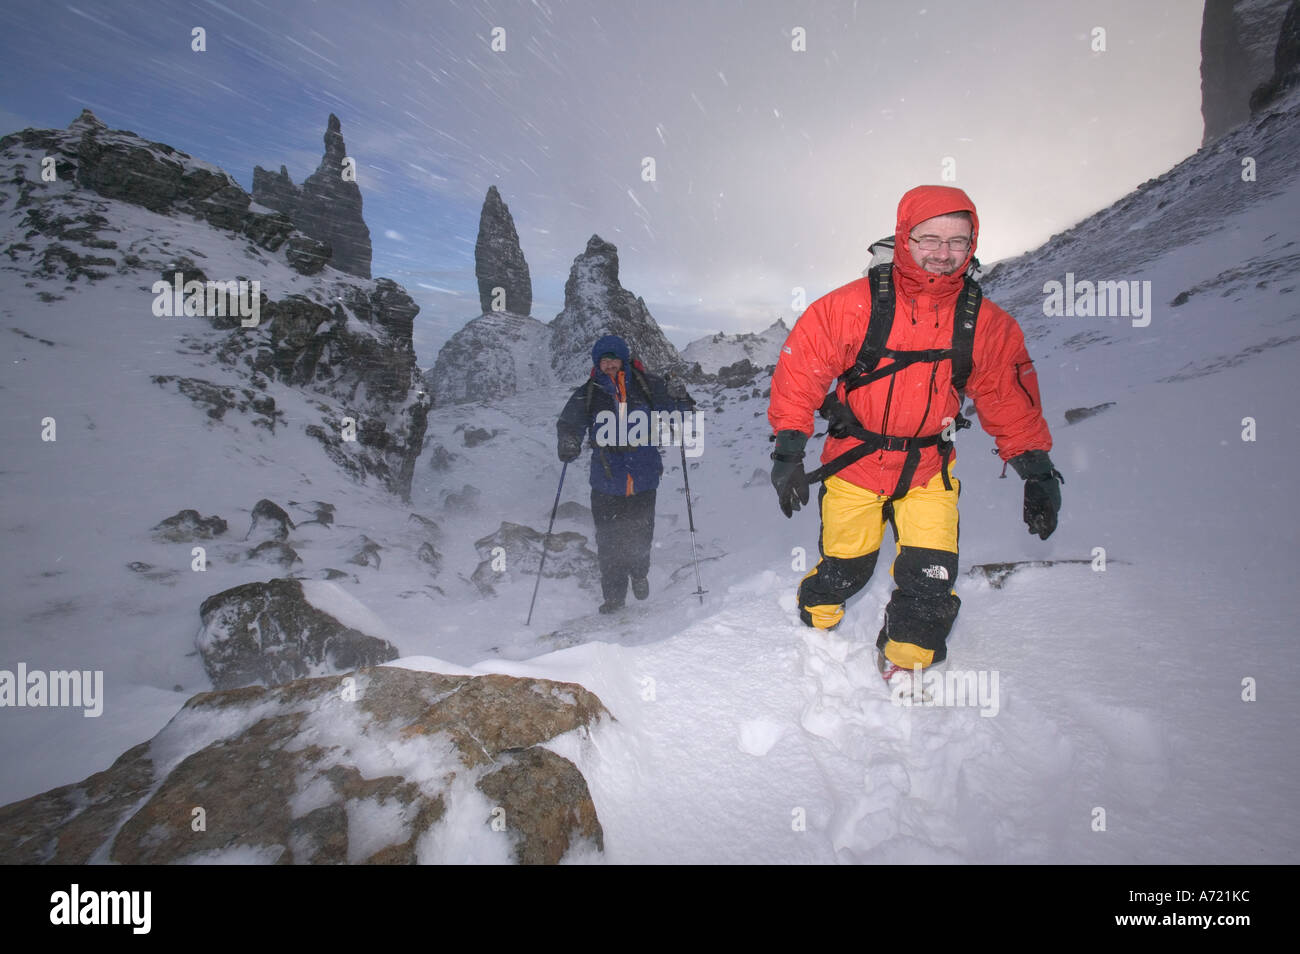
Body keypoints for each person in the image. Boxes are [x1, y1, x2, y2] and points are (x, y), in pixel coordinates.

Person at [767, 184, 1062, 683]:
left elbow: (1007, 396)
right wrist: (789, 447)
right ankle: (818, 609)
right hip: (854, 465)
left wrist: (1035, 468)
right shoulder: (850, 306)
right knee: (847, 566)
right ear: (904, 238)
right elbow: (803, 371)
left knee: (931, 575)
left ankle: (908, 656)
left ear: (973, 244)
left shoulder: (985, 324)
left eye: (958, 241)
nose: (944, 254)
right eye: (930, 239)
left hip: (928, 470)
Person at [557, 334, 694, 614]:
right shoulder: (590, 392)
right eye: (604, 360)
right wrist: (569, 441)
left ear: (623, 359)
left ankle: (639, 573)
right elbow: (569, 422)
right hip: (606, 482)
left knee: (641, 535)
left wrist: (680, 395)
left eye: (613, 359)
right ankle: (614, 596)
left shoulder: (647, 385)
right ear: (597, 362)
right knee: (608, 541)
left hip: (643, 478)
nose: (609, 365)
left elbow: (680, 409)